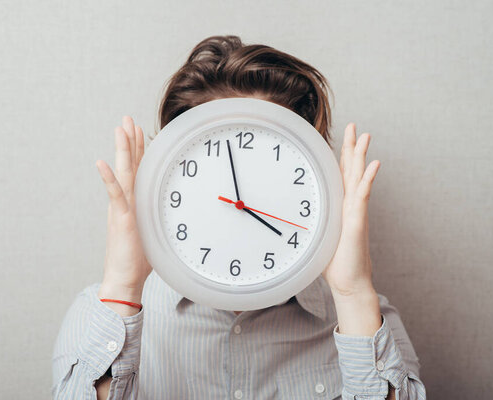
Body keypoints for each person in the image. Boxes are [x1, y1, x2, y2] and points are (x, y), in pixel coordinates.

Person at [52, 35, 426, 400]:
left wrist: (352, 293)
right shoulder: (101, 317)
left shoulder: (367, 321)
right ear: (168, 181)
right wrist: (123, 286)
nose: (239, 205)